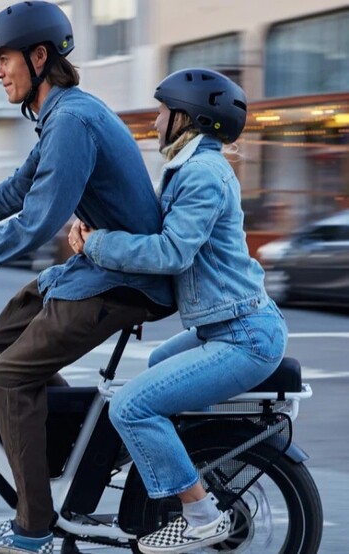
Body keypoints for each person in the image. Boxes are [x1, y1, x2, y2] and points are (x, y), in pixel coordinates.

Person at [0, 2, 173, 553]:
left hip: (124, 283)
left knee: (8, 379)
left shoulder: (72, 121)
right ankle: (68, 452)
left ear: (39, 56)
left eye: (4, 59)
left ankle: (35, 528)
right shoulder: (61, 116)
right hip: (95, 269)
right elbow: (15, 191)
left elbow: (36, 223)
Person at [68, 68, 288, 554]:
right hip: (225, 326)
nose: (155, 122)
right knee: (156, 367)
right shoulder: (192, 168)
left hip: (245, 336)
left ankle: (201, 513)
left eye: (164, 111)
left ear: (188, 117)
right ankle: (184, 472)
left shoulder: (202, 175)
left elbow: (171, 252)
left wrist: (99, 245)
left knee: (130, 405)